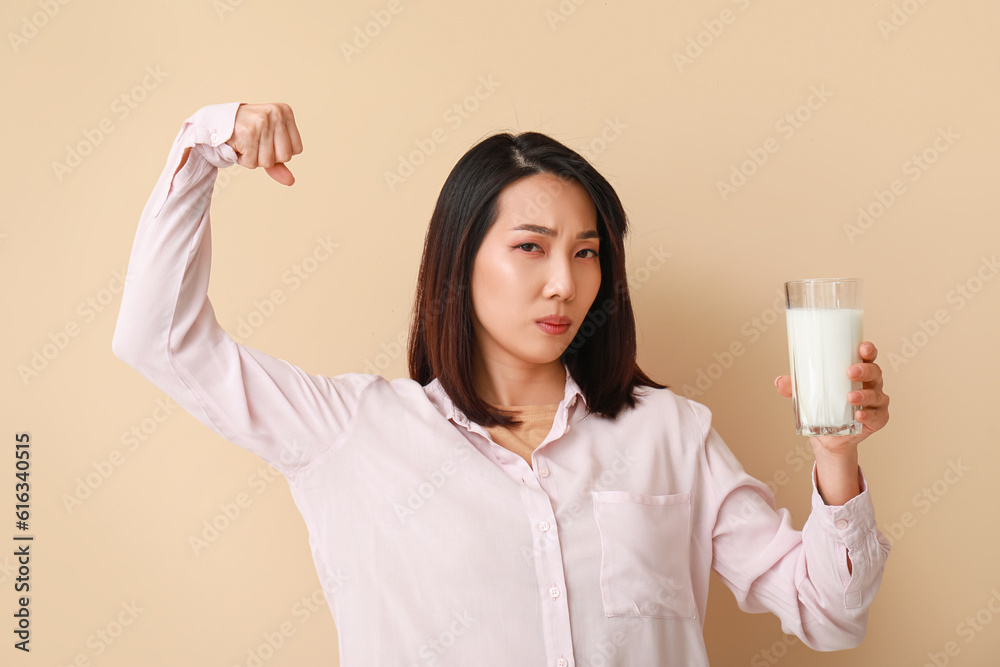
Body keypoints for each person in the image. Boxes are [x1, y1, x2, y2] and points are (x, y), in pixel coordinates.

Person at [111, 102, 892, 666]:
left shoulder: (670, 433)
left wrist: (835, 455)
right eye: (531, 247)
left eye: (586, 253)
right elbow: (160, 336)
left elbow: (829, 612)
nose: (564, 282)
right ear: (462, 260)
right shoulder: (351, 433)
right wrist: (210, 142)